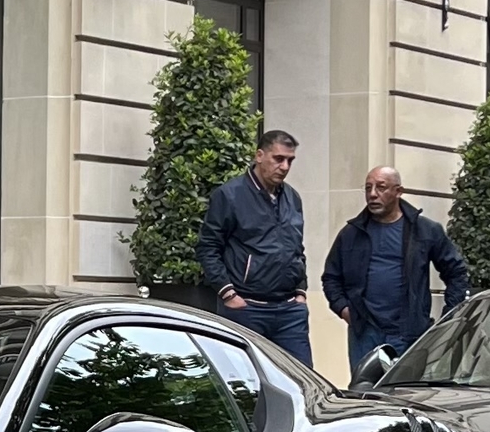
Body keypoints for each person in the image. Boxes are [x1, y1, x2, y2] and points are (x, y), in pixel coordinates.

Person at [322, 165, 469, 378]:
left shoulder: (425, 230)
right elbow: (331, 277)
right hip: (365, 333)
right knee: (365, 396)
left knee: (405, 395)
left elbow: (456, 272)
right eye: (368, 188)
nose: (373, 194)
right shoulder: (351, 233)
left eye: (381, 188)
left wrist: (449, 315)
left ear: (398, 191)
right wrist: (344, 309)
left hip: (409, 333)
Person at [196, 131, 312, 360]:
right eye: (278, 159)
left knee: (302, 382)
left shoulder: (292, 197)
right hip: (247, 308)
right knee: (246, 383)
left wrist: (301, 290)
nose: (285, 166)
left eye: (290, 160)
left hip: (290, 311)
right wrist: (228, 293)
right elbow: (208, 247)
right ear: (259, 155)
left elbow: (296, 247)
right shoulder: (229, 195)